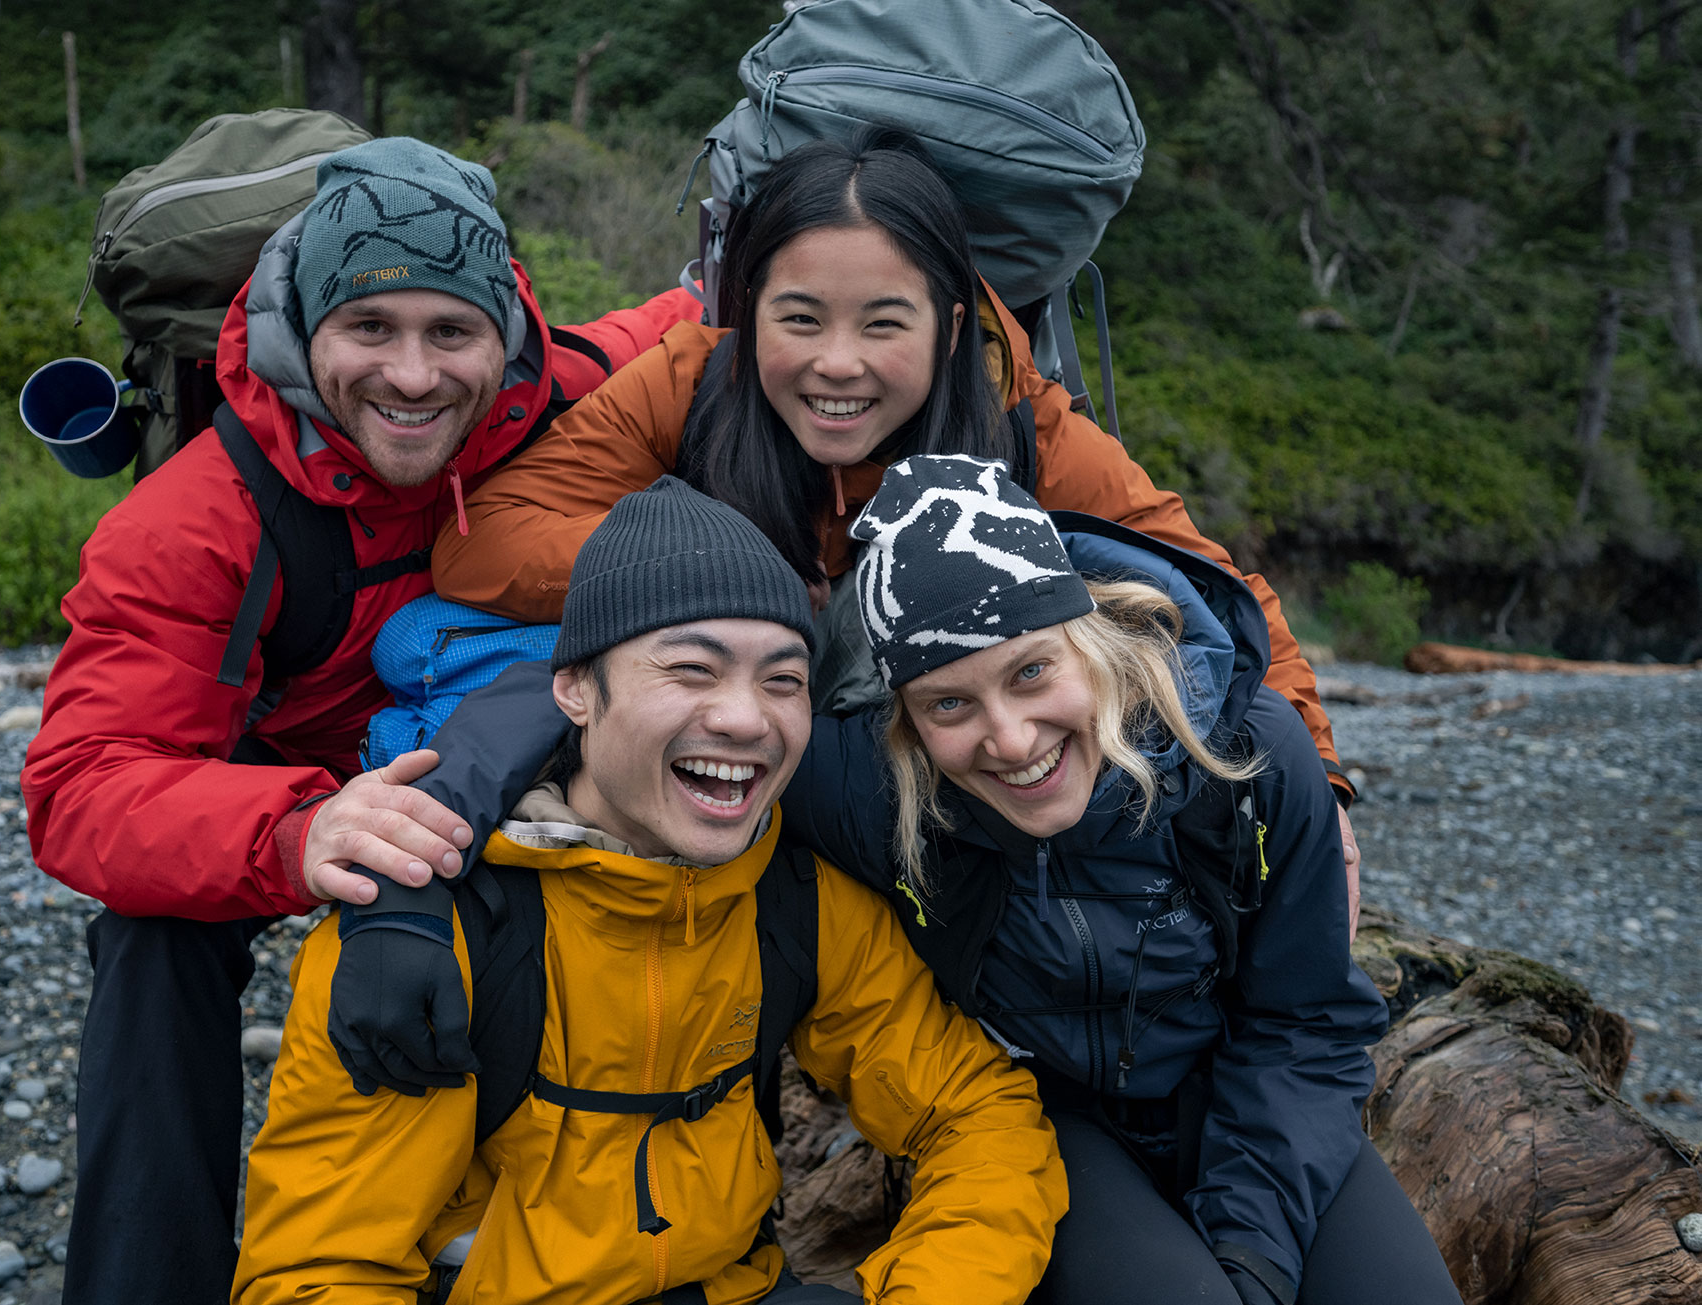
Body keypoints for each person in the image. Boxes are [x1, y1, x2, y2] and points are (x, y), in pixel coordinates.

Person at [18, 136, 701, 1305]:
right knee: (149, 942)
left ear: (508, 337)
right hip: (292, 776)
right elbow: (79, 784)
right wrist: (301, 830)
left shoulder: (565, 393)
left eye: (452, 334)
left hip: (485, 737)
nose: (415, 376)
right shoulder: (190, 522)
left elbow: (707, 320)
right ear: (304, 332)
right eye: (369, 332)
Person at [423, 126, 1363, 911]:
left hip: (937, 778)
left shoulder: (1021, 423)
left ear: (950, 328)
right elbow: (482, 541)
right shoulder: (689, 383)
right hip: (735, 742)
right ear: (747, 313)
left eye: (883, 324)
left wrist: (1317, 795)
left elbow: (1209, 590)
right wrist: (716, 567)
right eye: (799, 320)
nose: (839, 364)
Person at [230, 477, 1069, 1305]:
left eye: (782, 680)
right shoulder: (429, 929)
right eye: (691, 669)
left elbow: (976, 1114)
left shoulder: (797, 900)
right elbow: (315, 1273)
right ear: (575, 691)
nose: (746, 719)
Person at [781, 452, 1458, 1305]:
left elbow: (1306, 1019)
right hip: (1044, 1115)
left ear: (1087, 637)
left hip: (1243, 1084)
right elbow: (695, 742)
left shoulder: (1248, 752)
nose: (1012, 739)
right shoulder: (872, 789)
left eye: (1032, 672)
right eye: (948, 703)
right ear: (905, 720)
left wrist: (1252, 1250)